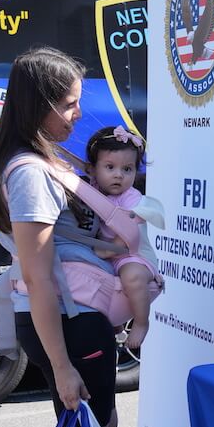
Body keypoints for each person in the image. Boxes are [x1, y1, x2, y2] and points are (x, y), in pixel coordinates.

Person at [0, 46, 118, 427]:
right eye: (69, 104)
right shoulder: (30, 174)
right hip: (68, 319)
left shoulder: (20, 161)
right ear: (40, 105)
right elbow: (39, 279)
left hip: (62, 318)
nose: (78, 114)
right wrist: (62, 367)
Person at [84, 125, 164, 348]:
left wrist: (109, 250)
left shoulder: (131, 198)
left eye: (127, 169)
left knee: (132, 278)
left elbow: (131, 231)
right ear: (92, 170)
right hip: (108, 256)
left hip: (133, 254)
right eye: (110, 167)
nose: (119, 175)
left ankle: (140, 322)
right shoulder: (93, 189)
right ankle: (114, 322)